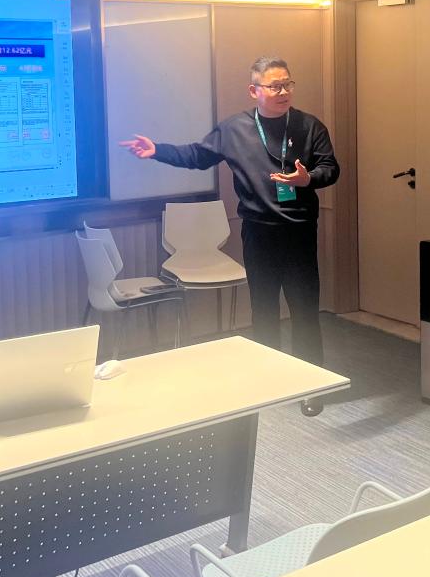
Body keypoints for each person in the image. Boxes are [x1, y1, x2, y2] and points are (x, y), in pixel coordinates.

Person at [120, 56, 340, 416]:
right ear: (254, 91)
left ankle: (312, 387)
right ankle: (267, 382)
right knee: (263, 310)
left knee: (304, 310)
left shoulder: (309, 125)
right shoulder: (234, 129)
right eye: (274, 86)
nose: (283, 91)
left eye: (288, 84)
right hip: (258, 232)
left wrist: (308, 179)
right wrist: (158, 150)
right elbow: (197, 155)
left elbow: (330, 168)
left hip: (299, 231)